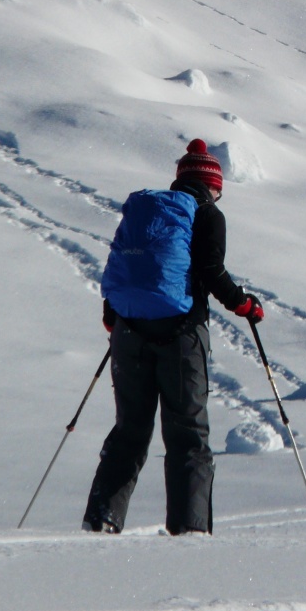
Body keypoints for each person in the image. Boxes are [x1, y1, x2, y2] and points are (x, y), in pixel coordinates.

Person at [82, 139, 264, 536]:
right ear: (212, 184)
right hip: (182, 335)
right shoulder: (207, 214)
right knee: (187, 435)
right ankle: (190, 531)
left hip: (129, 334)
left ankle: (100, 522)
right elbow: (213, 272)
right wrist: (245, 305)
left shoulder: (149, 212)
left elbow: (122, 265)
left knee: (130, 430)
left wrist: (115, 318)